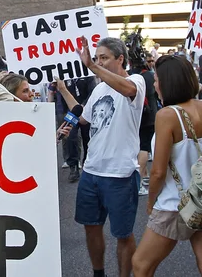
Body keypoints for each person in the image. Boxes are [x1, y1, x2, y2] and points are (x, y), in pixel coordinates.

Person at [132, 54, 202, 277]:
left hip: (174, 204)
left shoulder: (168, 115)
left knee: (141, 264)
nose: (155, 85)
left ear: (168, 83)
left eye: (158, 80)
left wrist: (151, 202)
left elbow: (158, 171)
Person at [55, 37, 145, 277]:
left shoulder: (135, 81)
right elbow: (83, 117)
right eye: (96, 58)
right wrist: (63, 90)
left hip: (120, 174)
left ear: (120, 59)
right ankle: (98, 273)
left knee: (123, 234)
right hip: (91, 171)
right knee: (91, 228)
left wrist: (92, 67)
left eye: (104, 57)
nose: (99, 62)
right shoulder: (99, 88)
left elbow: (129, 90)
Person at [136, 58, 159, 196]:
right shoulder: (149, 76)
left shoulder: (132, 76)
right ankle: (139, 181)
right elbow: (155, 94)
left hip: (138, 115)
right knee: (145, 148)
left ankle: (144, 176)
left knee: (140, 147)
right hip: (150, 115)